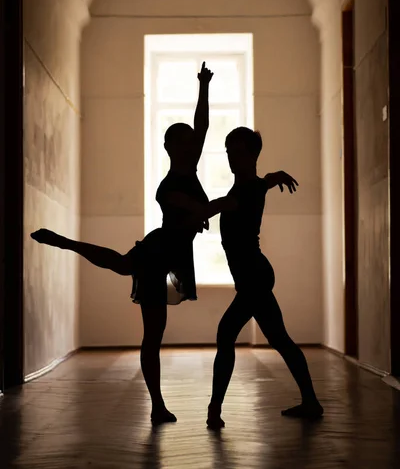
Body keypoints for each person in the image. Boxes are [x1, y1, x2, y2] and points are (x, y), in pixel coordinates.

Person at [31, 62, 221, 425]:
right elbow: (197, 208)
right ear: (171, 147)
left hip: (172, 252)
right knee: (148, 324)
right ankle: (157, 405)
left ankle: (65, 243)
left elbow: (203, 126)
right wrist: (226, 203)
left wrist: (203, 86)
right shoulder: (168, 186)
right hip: (160, 250)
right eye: (184, 142)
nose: (191, 145)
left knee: (124, 270)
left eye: (190, 142)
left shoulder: (190, 169)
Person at [203, 127, 324, 429]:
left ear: (252, 155)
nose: (232, 157)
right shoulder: (251, 185)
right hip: (252, 276)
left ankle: (214, 410)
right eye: (229, 150)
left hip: (254, 276)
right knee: (280, 339)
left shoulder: (245, 192)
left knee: (226, 332)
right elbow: (263, 182)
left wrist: (196, 212)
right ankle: (311, 401)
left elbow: (225, 204)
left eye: (238, 151)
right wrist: (275, 177)